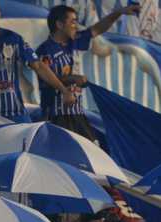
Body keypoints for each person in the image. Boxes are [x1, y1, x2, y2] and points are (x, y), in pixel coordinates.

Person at [36, 4, 139, 138]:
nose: (76, 26)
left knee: (93, 150)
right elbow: (46, 81)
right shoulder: (44, 51)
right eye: (73, 22)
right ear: (60, 25)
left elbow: (97, 29)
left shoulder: (75, 41)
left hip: (77, 113)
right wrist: (72, 79)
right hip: (55, 116)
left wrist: (119, 12)